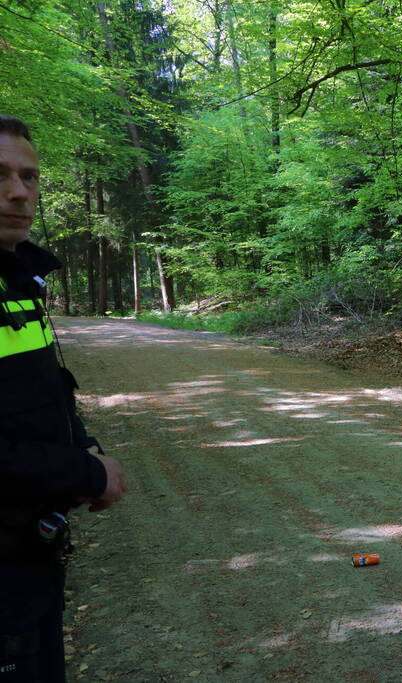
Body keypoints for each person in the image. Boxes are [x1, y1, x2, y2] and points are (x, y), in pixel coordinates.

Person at [0, 115, 127, 682]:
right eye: (0, 176)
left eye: (29, 177)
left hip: (30, 554)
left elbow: (47, 389)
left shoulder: (21, 282)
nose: (19, 192)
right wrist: (83, 473)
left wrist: (88, 450)